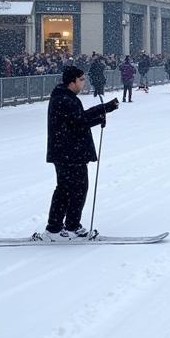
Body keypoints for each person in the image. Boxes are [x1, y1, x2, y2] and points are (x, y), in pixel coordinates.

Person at [39, 65, 119, 240]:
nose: (84, 83)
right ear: (72, 81)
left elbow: (79, 117)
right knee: (66, 190)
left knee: (77, 189)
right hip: (67, 152)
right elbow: (78, 121)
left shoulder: (67, 97)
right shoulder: (64, 99)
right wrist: (101, 114)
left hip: (71, 152)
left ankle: (72, 225)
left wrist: (104, 109)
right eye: (81, 79)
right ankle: (53, 229)